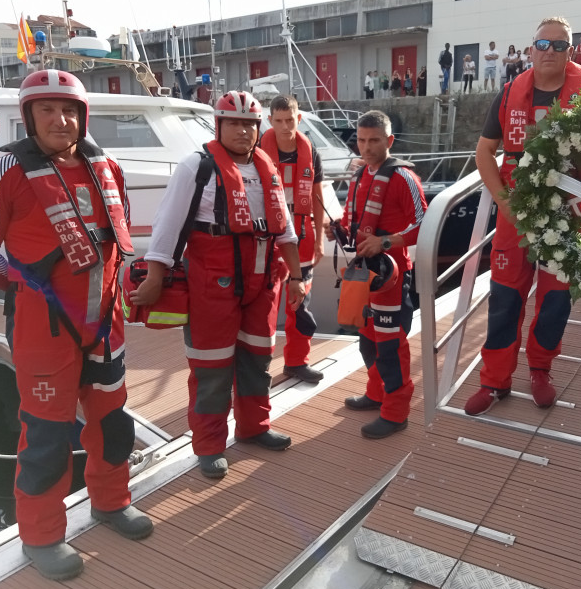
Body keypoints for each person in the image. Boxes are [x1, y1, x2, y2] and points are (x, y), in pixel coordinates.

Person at [0, 70, 153, 581]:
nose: (59, 119)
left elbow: (118, 239)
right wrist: (26, 291)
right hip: (43, 331)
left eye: (68, 110)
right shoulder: (5, 170)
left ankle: (111, 503)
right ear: (28, 116)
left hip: (106, 326)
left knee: (113, 426)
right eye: (46, 109)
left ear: (82, 116)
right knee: (46, 439)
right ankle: (42, 536)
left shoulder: (106, 166)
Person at [130, 91, 306, 477]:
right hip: (213, 285)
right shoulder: (197, 167)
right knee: (211, 369)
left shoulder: (266, 168)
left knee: (257, 360)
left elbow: (286, 229)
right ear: (219, 125)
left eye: (249, 124)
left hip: (262, 284)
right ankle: (209, 446)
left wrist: (296, 277)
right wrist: (156, 277)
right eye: (235, 123)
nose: (243, 131)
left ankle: (254, 428)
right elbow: (168, 226)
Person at [465, 17, 581, 416]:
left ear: (570, 52)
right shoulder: (507, 94)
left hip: (565, 213)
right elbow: (484, 152)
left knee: (556, 300)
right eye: (543, 43)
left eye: (559, 45)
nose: (549, 51)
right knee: (505, 298)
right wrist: (504, 202)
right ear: (531, 48)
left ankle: (540, 369)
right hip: (515, 214)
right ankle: (494, 380)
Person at [329, 110, 427, 438]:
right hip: (363, 275)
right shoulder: (359, 176)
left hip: (392, 276)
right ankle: (376, 394)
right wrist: (338, 233)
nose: (366, 147)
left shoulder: (403, 179)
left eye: (374, 140)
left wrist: (385, 241)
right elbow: (351, 222)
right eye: (361, 140)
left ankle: (397, 413)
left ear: (390, 141)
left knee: (391, 347)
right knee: (367, 340)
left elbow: (424, 224)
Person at [261, 95, 326, 383]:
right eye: (279, 120)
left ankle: (297, 362)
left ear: (299, 118)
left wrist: (321, 240)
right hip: (267, 237)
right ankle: (258, 367)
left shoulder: (310, 150)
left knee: (300, 303)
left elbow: (317, 198)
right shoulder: (256, 151)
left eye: (290, 120)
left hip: (302, 236)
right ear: (270, 121)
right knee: (264, 307)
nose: (286, 126)